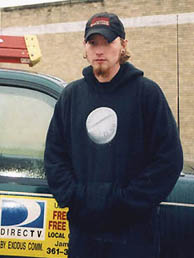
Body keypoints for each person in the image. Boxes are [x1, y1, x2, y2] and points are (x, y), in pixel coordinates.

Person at [44, 12, 183, 258]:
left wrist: (123, 202)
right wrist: (77, 198)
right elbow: (55, 157)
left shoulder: (147, 94)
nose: (100, 50)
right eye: (92, 43)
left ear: (123, 46)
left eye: (107, 42)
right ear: (85, 48)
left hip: (134, 234)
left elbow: (168, 160)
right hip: (84, 233)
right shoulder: (71, 96)